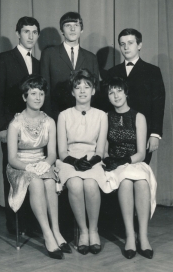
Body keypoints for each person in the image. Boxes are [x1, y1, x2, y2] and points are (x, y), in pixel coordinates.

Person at [6, 74, 71, 259]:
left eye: (41, 93)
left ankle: (56, 231)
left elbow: (51, 154)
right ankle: (47, 235)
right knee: (35, 182)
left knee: (50, 182)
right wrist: (29, 168)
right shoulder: (15, 123)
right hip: (20, 166)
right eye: (33, 93)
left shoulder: (49, 121)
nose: (38, 97)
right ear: (24, 97)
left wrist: (45, 164)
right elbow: (11, 158)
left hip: (42, 162)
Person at [0, 16, 41, 235]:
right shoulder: (4, 58)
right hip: (11, 128)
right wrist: (1, 127)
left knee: (32, 174)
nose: (31, 36)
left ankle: (31, 223)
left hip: (35, 129)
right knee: (12, 174)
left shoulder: (39, 63)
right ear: (18, 33)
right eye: (26, 31)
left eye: (34, 32)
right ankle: (15, 224)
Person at [102, 77, 157, 260]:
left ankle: (143, 236)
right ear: (108, 96)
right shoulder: (106, 117)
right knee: (125, 182)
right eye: (111, 92)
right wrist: (110, 160)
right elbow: (103, 149)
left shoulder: (138, 117)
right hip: (114, 165)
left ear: (126, 92)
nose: (115, 95)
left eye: (119, 90)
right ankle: (130, 237)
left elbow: (141, 153)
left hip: (134, 161)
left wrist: (125, 160)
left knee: (141, 182)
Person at [56, 69, 107, 255]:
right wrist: (74, 161)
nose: (83, 91)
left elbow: (100, 149)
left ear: (94, 91)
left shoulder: (102, 115)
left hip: (93, 160)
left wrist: (92, 161)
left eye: (87, 86)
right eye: (78, 87)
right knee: (76, 185)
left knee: (91, 185)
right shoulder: (64, 115)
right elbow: (61, 151)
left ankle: (94, 230)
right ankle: (83, 231)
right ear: (72, 92)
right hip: (69, 160)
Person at [105, 28, 165, 164]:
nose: (126, 47)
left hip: (142, 134)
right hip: (115, 135)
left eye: (130, 43)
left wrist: (155, 134)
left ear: (139, 45)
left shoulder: (153, 71)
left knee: (138, 176)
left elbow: (158, 104)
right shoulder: (112, 72)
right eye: (122, 44)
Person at [40, 11, 99, 122]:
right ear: (62, 30)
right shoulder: (49, 54)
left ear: (81, 29)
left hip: (85, 118)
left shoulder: (91, 57)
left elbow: (96, 89)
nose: (72, 29)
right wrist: (48, 118)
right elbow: (44, 88)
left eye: (76, 25)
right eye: (68, 25)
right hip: (56, 116)